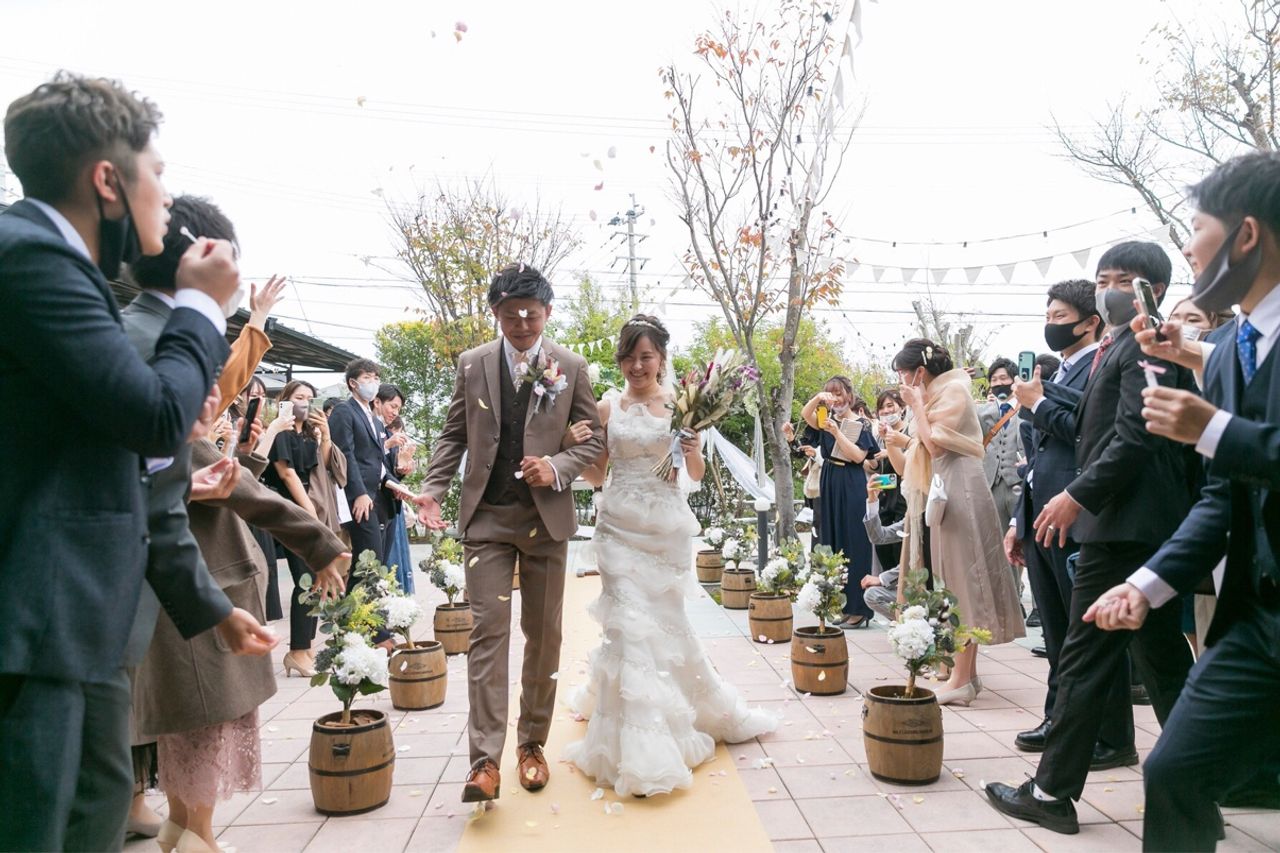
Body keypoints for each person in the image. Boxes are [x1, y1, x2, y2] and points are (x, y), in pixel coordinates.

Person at [0, 72, 275, 852]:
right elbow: (154, 415)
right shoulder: (29, 259)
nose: (166, 193)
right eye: (156, 171)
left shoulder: (63, 269)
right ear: (107, 180)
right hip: (35, 624)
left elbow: (127, 463)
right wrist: (202, 303)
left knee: (89, 812)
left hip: (79, 629)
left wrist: (209, 607)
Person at [1084, 153, 1280, 851]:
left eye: (1197, 227)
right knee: (1172, 770)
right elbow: (1223, 499)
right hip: (1256, 620)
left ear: (1246, 235)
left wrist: (1211, 428)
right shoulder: (1231, 348)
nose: (1190, 247)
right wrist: (1144, 586)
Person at [984, 242, 1200, 834]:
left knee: (1081, 656)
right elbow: (1091, 425)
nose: (1108, 290)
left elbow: (1138, 435)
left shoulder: (1146, 342)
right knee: (1161, 659)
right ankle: (1200, 783)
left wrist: (1077, 495)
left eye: (1122, 280)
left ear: (1153, 287)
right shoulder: (1118, 344)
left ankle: (1051, 792)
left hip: (1126, 526)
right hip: (1133, 525)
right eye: (1102, 279)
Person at [561, 314, 777, 796]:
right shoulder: (606, 407)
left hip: (663, 530)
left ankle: (683, 708)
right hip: (617, 528)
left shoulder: (680, 405)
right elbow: (597, 476)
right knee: (626, 627)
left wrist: (693, 446)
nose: (637, 366)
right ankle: (641, 745)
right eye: (630, 357)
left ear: (661, 358)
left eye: (647, 357)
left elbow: (693, 474)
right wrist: (574, 445)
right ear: (620, 360)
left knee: (665, 624)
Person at [416, 263, 605, 803]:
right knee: (488, 633)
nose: (522, 323)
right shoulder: (472, 363)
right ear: (496, 313)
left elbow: (593, 441)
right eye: (510, 314)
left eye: (531, 314)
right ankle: (483, 760)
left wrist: (557, 466)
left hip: (546, 521)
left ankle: (532, 746)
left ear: (547, 312)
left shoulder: (571, 365)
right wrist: (433, 487)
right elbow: (454, 434)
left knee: (544, 636)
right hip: (488, 519)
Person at [136, 434, 348, 853]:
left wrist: (245, 455)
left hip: (173, 598)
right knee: (206, 726)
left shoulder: (143, 432)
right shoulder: (175, 426)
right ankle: (199, 837)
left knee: (180, 726)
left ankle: (179, 825)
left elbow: (215, 487)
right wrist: (320, 544)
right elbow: (247, 495)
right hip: (207, 601)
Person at [893, 339, 1025, 705]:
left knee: (964, 581)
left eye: (903, 372)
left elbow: (935, 443)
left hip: (961, 485)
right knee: (953, 579)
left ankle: (961, 679)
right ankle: (966, 676)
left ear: (920, 371)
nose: (901, 380)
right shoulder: (940, 392)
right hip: (948, 484)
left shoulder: (953, 390)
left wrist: (916, 405)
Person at [1004, 279, 1103, 753]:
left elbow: (1086, 435)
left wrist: (1038, 404)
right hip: (1039, 513)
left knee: (1083, 635)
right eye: (1048, 316)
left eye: (1060, 317)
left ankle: (1102, 733)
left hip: (1073, 513)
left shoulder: (1099, 368)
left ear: (1090, 323)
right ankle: (1057, 719)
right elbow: (1036, 458)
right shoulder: (1057, 371)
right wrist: (1017, 521)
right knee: (1057, 631)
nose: (1051, 324)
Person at [263, 380, 347, 676]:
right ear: (285, 399)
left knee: (313, 578)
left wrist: (325, 435)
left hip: (306, 507)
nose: (305, 402)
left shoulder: (307, 434)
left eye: (310, 398)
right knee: (305, 577)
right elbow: (286, 473)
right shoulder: (280, 431)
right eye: (299, 397)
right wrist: (309, 511)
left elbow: (321, 467)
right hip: (287, 508)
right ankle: (298, 650)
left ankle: (305, 647)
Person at [800, 377, 880, 628]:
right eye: (830, 394)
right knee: (833, 541)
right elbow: (805, 414)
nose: (835, 399)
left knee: (855, 541)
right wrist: (818, 398)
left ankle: (859, 609)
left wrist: (836, 432)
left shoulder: (861, 424)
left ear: (849, 395)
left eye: (839, 393)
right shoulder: (825, 419)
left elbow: (858, 456)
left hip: (851, 480)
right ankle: (842, 604)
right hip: (829, 479)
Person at [375, 384, 415, 593]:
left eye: (398, 408)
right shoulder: (377, 431)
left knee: (384, 560)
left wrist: (401, 470)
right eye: (392, 406)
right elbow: (366, 461)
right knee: (374, 563)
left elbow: (388, 470)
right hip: (372, 501)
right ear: (377, 402)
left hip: (390, 501)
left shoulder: (383, 430)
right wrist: (387, 445)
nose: (395, 412)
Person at [868, 390, 908, 572]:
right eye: (881, 408)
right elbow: (875, 467)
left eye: (890, 405)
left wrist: (890, 451)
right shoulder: (878, 436)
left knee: (902, 549)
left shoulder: (908, 431)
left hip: (904, 497)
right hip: (884, 497)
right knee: (883, 549)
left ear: (902, 407)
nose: (886, 411)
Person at [861, 477, 904, 620]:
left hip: (935, 589)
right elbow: (878, 537)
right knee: (872, 595)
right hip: (913, 588)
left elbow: (915, 565)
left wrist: (881, 578)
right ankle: (909, 624)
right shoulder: (912, 517)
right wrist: (872, 501)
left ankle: (916, 624)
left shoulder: (929, 515)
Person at [383, 414, 417, 594]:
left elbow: (393, 472)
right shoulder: (382, 441)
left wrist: (401, 470)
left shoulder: (397, 447)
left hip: (394, 499)